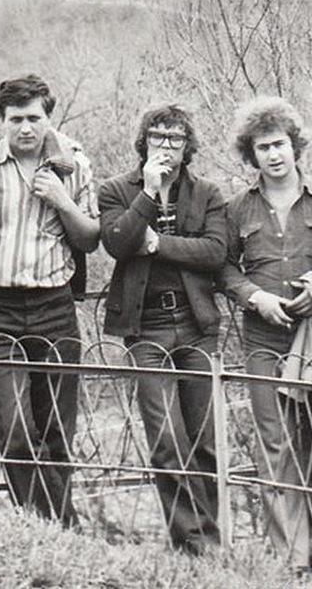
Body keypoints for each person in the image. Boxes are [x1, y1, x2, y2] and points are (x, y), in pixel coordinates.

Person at [0, 74, 99, 527]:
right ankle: (51, 525)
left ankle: (53, 529)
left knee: (57, 430)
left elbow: (90, 239)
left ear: (48, 117)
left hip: (54, 308)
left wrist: (62, 201)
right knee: (14, 429)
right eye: (16, 119)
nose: (26, 128)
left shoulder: (74, 165)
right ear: (2, 120)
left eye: (34, 118)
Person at [221, 97, 312, 579]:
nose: (273, 154)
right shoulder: (237, 207)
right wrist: (256, 297)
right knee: (275, 445)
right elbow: (224, 268)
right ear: (251, 154)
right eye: (263, 147)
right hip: (263, 339)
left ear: (294, 145)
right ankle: (291, 557)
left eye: (279, 144)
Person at [97, 104, 226, 554]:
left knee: (204, 439)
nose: (166, 146)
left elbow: (215, 252)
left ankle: (209, 541)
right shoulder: (116, 190)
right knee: (167, 438)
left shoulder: (208, 192)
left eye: (175, 138)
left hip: (196, 324)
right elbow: (117, 242)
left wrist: (158, 244)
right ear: (143, 142)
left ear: (188, 146)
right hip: (146, 327)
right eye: (157, 137)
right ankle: (193, 545)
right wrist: (149, 194)